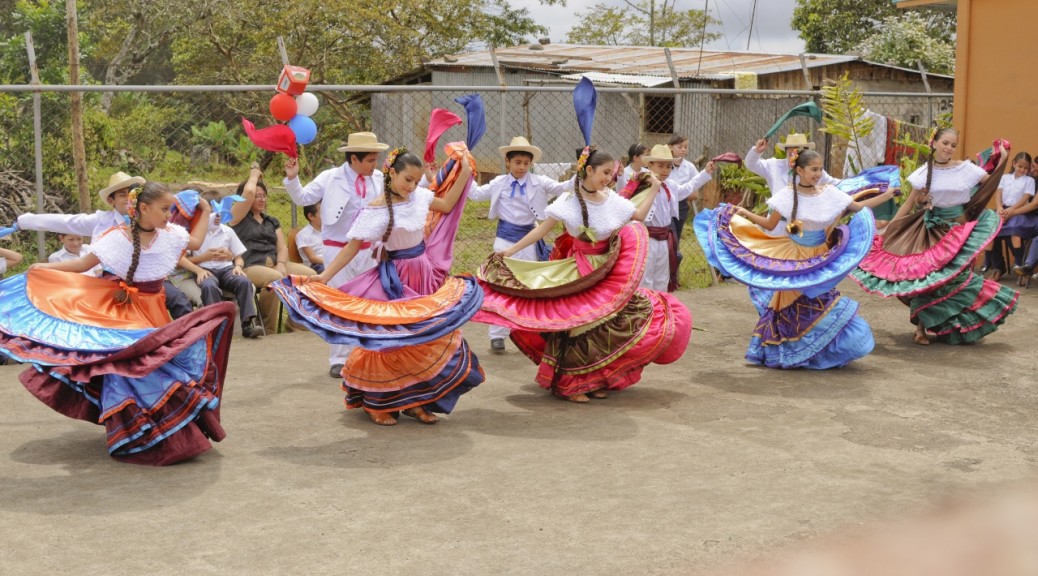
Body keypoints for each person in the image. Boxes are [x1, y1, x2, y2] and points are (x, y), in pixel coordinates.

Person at [0, 182, 235, 465]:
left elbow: (195, 242)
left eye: (170, 209)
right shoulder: (115, 238)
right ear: (144, 209)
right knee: (129, 370)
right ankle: (139, 431)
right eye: (163, 209)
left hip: (154, 312)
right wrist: (44, 268)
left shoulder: (171, 235)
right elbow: (81, 265)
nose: (169, 215)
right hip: (120, 312)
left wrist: (206, 209)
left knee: (159, 368)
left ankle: (161, 427)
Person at [273, 146, 484, 427]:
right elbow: (353, 247)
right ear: (392, 173)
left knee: (422, 339)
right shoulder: (377, 208)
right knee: (391, 343)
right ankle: (378, 403)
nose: (411, 186)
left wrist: (466, 172)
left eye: (415, 180)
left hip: (422, 273)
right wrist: (324, 278)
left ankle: (416, 402)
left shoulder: (420, 196)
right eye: (407, 179)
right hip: (395, 279)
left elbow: (447, 205)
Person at [474, 146, 693, 403]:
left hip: (608, 271)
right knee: (581, 325)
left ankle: (596, 378)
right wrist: (510, 251)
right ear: (588, 170)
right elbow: (541, 230)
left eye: (611, 173)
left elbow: (638, 216)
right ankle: (572, 383)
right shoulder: (568, 201)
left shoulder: (610, 198)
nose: (609, 178)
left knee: (611, 322)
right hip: (580, 271)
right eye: (604, 172)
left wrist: (654, 188)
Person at [696, 149, 894, 368]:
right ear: (799, 170)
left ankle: (819, 351)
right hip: (794, 259)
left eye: (820, 169)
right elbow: (769, 224)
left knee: (822, 300)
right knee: (795, 305)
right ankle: (793, 352)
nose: (818, 174)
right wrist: (743, 212)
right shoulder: (787, 196)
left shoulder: (830, 193)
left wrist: (886, 195)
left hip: (821, 258)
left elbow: (858, 206)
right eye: (813, 169)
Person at [851, 128, 1018, 345]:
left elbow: (991, 182)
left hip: (960, 231)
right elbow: (908, 205)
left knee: (957, 280)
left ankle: (951, 324)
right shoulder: (922, 174)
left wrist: (1002, 157)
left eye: (953, 145)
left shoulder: (967, 169)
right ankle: (920, 328)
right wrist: (889, 230)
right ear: (934, 143)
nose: (949, 148)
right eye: (945, 143)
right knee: (928, 279)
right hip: (931, 233)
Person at [14, 171, 194, 319]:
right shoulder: (102, 221)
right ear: (111, 201)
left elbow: (180, 239)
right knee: (77, 303)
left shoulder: (156, 223)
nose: (127, 199)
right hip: (109, 281)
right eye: (122, 195)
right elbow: (65, 222)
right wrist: (27, 221)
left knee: (178, 299)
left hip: (149, 283)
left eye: (130, 194)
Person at [281, 131, 388, 378]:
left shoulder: (379, 178)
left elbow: (402, 194)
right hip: (337, 249)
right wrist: (293, 178)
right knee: (339, 302)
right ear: (354, 159)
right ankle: (339, 358)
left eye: (375, 159)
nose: (375, 165)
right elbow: (303, 197)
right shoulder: (331, 178)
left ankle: (367, 353)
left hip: (369, 251)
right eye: (370, 160)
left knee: (370, 301)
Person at [468, 136, 570, 353]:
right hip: (504, 239)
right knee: (501, 284)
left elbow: (563, 188)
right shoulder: (499, 183)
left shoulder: (539, 182)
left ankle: (527, 329)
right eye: (517, 162)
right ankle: (497, 334)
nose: (522, 167)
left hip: (529, 240)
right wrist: (465, 173)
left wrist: (583, 168)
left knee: (527, 284)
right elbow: (475, 195)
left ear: (531, 163)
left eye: (526, 163)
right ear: (508, 162)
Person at [228, 166, 315, 335]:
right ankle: (268, 329)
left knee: (311, 276)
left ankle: (295, 324)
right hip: (249, 266)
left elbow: (282, 247)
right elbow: (248, 194)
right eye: (257, 196)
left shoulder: (271, 221)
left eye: (264, 196)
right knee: (275, 279)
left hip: (275, 264)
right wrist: (253, 176)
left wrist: (282, 263)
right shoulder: (236, 218)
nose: (261, 200)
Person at [176, 199, 263, 339]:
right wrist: (204, 259)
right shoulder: (195, 233)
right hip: (205, 269)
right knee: (209, 286)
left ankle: (247, 324)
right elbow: (182, 260)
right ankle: (217, 328)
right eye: (213, 213)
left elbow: (239, 256)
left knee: (244, 282)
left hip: (227, 269)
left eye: (221, 213)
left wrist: (238, 266)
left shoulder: (228, 231)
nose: (218, 217)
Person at [621, 144, 701, 292]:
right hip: (647, 237)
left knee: (662, 278)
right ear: (650, 165)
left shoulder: (670, 185)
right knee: (645, 277)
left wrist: (706, 174)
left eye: (669, 166)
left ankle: (661, 310)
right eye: (661, 166)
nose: (665, 170)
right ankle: (646, 310)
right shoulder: (641, 183)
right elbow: (624, 196)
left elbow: (687, 189)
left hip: (664, 237)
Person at [983, 152, 1036, 280]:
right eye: (1020, 166)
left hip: (1018, 211)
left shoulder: (1029, 180)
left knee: (1014, 231)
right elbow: (998, 194)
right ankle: (997, 266)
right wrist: (1000, 208)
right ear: (1014, 163)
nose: (1022, 170)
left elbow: (1025, 198)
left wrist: (1012, 210)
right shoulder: (1005, 178)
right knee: (990, 232)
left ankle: (1018, 264)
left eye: (1026, 168)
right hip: (1002, 209)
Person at [745, 134, 839, 202]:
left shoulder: (814, 170)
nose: (794, 157)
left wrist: (853, 184)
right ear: (785, 152)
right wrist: (756, 151)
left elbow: (835, 184)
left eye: (798, 154)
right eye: (791, 154)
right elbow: (750, 164)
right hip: (778, 223)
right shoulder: (774, 165)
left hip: (803, 222)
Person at [668, 134, 715, 246]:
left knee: (676, 239)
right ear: (670, 147)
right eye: (680, 147)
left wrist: (683, 194)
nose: (683, 150)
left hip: (682, 206)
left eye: (686, 147)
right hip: (667, 204)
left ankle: (674, 260)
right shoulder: (665, 165)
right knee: (670, 237)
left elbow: (694, 190)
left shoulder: (689, 167)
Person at [295, 203, 325, 273]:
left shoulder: (328, 231)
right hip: (316, 266)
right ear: (311, 216)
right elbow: (313, 258)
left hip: (331, 261)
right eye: (322, 212)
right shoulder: (303, 235)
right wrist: (331, 262)